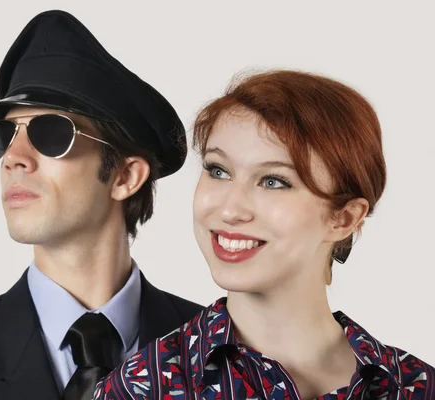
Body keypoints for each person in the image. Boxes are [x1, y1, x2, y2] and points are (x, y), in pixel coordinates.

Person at [0, 9, 203, 400]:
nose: (14, 157)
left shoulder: (229, 355)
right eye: (4, 135)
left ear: (125, 177)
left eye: (51, 133)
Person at [94, 70, 435, 400]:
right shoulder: (144, 387)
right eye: (218, 171)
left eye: (273, 181)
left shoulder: (414, 386)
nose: (230, 210)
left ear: (343, 218)